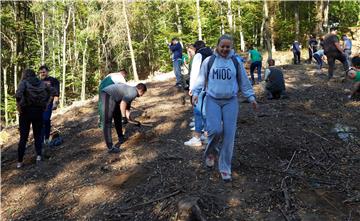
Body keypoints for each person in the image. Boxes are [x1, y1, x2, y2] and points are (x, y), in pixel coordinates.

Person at [192, 34, 258, 182]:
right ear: (217, 46)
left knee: (229, 136)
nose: (225, 49)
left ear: (231, 47)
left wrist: (251, 97)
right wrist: (196, 93)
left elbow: (244, 81)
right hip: (212, 100)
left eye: (228, 47)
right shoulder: (209, 61)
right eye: (222, 46)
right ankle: (210, 152)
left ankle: (225, 167)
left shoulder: (236, 62)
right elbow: (201, 78)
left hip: (231, 102)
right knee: (215, 130)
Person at [15, 69, 54, 168]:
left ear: (25, 75)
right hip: (38, 111)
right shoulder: (42, 83)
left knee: (23, 137)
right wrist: (46, 103)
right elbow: (53, 91)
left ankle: (19, 162)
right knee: (38, 135)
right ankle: (39, 156)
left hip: (25, 112)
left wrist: (18, 106)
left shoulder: (24, 82)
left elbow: (18, 95)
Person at [100, 83, 147, 153]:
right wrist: (124, 117)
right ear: (141, 90)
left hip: (114, 98)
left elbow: (126, 109)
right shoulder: (133, 92)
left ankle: (121, 137)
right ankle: (110, 147)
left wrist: (134, 121)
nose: (142, 95)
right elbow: (123, 103)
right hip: (107, 94)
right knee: (107, 121)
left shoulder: (131, 91)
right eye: (143, 93)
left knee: (117, 117)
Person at [184, 40, 213, 147]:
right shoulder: (212, 53)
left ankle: (196, 138)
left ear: (196, 48)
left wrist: (191, 88)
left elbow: (195, 73)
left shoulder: (199, 55)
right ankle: (206, 136)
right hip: (210, 87)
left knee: (197, 111)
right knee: (206, 111)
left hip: (200, 87)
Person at [98, 69, 128, 146]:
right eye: (125, 76)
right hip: (110, 96)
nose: (125, 77)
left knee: (106, 115)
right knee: (117, 116)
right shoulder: (121, 77)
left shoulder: (110, 75)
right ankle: (119, 138)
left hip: (102, 94)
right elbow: (124, 92)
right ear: (124, 74)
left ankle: (102, 123)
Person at [38, 65, 60, 145]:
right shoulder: (38, 82)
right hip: (39, 105)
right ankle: (43, 139)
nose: (42, 74)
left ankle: (45, 138)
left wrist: (55, 103)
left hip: (49, 103)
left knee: (46, 119)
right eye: (40, 73)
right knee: (41, 122)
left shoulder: (54, 80)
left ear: (47, 72)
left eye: (43, 72)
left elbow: (56, 93)